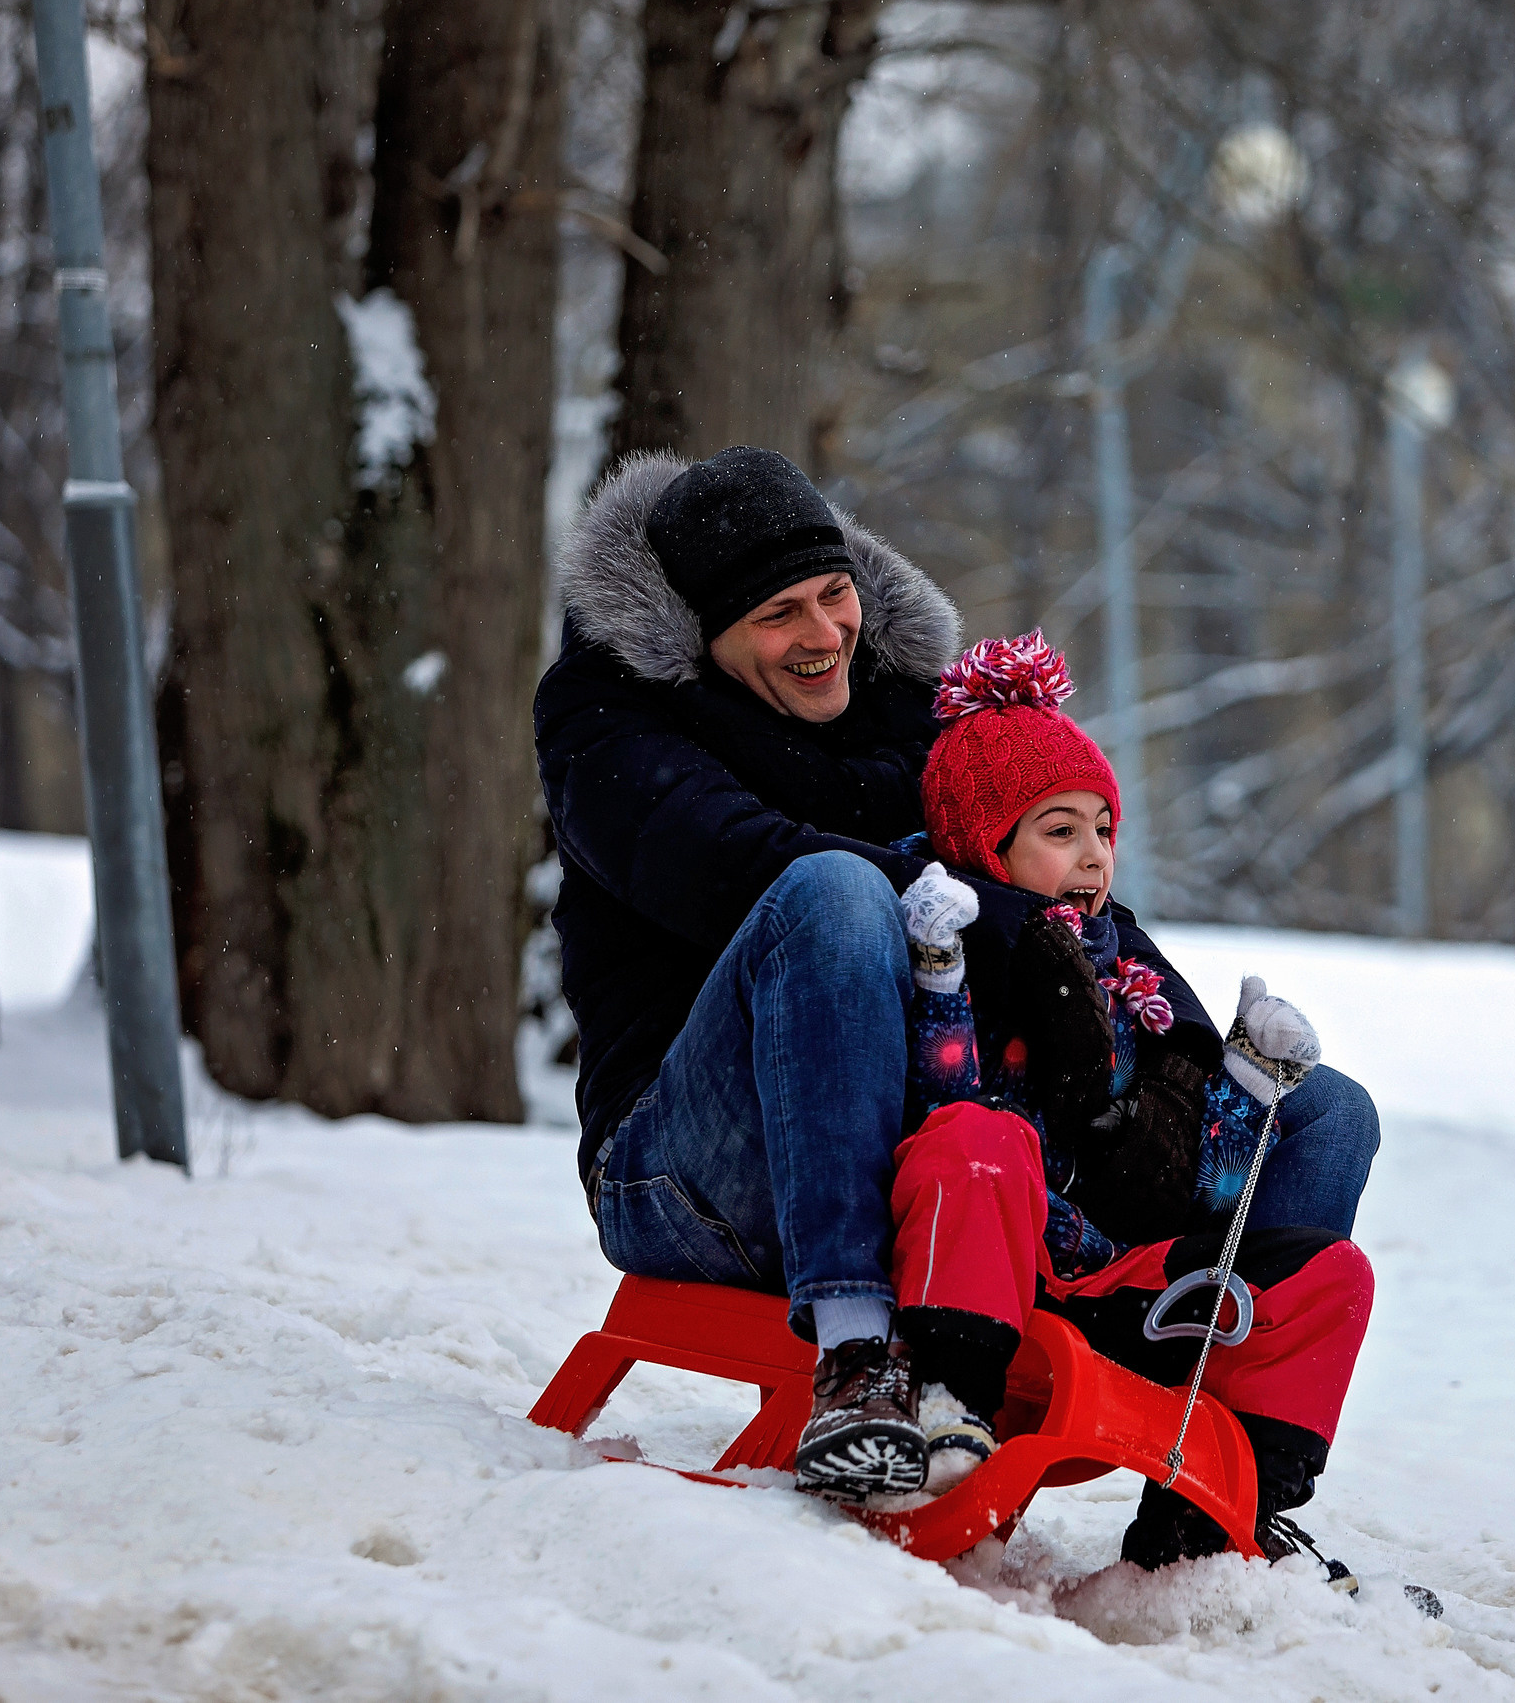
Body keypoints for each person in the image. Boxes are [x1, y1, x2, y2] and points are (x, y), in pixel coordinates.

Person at [535, 445, 1383, 1508]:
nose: (823, 635)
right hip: (696, 1169)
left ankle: (1221, 1471)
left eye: (834, 594)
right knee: (831, 892)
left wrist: (1159, 1062)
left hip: (952, 1147)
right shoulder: (609, 726)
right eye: (778, 616)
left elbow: (1055, 879)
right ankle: (856, 1360)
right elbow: (733, 862)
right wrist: (1020, 931)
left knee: (1316, 1115)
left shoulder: (916, 713)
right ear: (702, 638)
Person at [877, 632, 1375, 1579]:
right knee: (979, 1137)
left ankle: (1217, 1513)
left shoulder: (1127, 970)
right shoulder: (957, 945)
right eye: (1059, 830)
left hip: (1117, 1274)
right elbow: (939, 1111)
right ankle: (950, 1412)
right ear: (988, 841)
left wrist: (1245, 1089)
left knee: (1332, 1279)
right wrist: (942, 974)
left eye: (1104, 829)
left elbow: (1202, 1195)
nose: (1095, 856)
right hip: (1004, 1263)